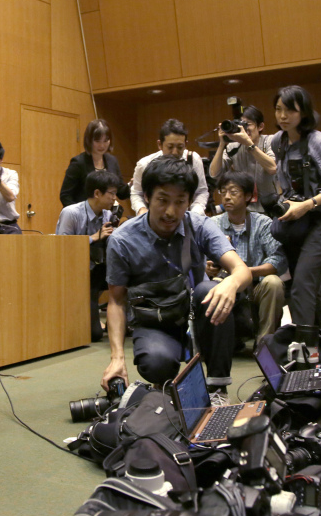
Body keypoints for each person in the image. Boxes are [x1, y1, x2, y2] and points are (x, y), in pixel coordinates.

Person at [102, 156, 251, 401]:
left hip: (196, 313)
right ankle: (168, 383)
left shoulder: (200, 225)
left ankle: (217, 389)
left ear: (189, 201)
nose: (171, 212)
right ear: (147, 197)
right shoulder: (122, 240)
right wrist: (117, 358)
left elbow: (241, 271)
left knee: (210, 290)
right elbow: (116, 302)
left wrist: (230, 283)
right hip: (156, 321)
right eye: (162, 200)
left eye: (180, 202)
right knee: (157, 364)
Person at [269, 85, 321, 330]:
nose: (282, 116)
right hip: (296, 223)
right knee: (304, 288)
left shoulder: (318, 142)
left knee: (301, 285)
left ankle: (304, 351)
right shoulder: (279, 141)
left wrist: (306, 205)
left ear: (304, 112)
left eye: (290, 110)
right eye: (279, 109)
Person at [206, 171, 286, 349]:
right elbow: (202, 259)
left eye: (233, 192)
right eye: (223, 191)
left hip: (255, 287)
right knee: (208, 286)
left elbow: (278, 260)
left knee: (273, 283)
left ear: (249, 196)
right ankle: (219, 344)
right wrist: (208, 268)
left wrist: (247, 273)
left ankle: (265, 345)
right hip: (223, 285)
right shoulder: (212, 224)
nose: (226, 197)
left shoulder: (263, 223)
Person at [56, 170, 124, 343]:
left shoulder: (109, 215)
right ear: (97, 193)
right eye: (112, 194)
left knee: (127, 272)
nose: (114, 199)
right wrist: (92, 238)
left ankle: (119, 320)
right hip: (75, 274)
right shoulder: (71, 213)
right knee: (94, 335)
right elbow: (60, 247)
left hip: (98, 271)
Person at [129, 119, 210, 217]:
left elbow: (201, 191)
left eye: (180, 147)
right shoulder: (144, 164)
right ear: (160, 145)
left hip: (186, 215)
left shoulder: (193, 159)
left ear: (186, 144)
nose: (175, 152)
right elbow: (137, 192)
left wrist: (194, 214)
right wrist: (142, 209)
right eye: (170, 147)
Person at [208, 105, 277, 213]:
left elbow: (272, 168)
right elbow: (214, 173)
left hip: (270, 207)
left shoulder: (270, 141)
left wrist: (248, 144)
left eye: (247, 124)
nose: (243, 129)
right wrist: (222, 144)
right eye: (240, 124)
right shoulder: (234, 146)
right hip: (244, 209)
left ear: (260, 126)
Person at [59, 119, 125, 208]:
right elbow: (65, 195)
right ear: (89, 140)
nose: (102, 145)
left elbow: (121, 191)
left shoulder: (112, 161)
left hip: (107, 216)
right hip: (83, 217)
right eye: (97, 141)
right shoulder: (78, 163)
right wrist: (79, 215)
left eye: (105, 141)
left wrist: (133, 184)